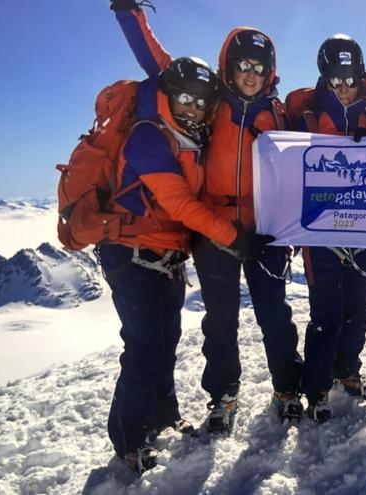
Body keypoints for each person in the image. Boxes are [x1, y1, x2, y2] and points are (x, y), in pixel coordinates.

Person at [110, 1, 304, 430]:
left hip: (266, 230)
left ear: (270, 71)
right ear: (228, 68)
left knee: (274, 313)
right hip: (214, 229)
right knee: (221, 319)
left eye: (259, 66)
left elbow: (312, 160)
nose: (250, 74)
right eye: (242, 65)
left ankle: (288, 388)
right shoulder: (210, 103)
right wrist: (129, 14)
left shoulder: (279, 114)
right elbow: (161, 67)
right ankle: (223, 396)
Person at [97, 56, 235, 472]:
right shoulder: (148, 136)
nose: (192, 108)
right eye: (184, 99)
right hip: (132, 254)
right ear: (168, 97)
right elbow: (178, 202)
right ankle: (128, 439)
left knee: (164, 342)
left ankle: (162, 415)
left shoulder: (187, 136)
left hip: (166, 257)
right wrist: (232, 237)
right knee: (143, 348)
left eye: (200, 102)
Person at [286, 35, 366, 422]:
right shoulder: (305, 119)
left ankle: (347, 370)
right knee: (327, 312)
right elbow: (283, 168)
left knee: (358, 310)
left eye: (350, 79)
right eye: (336, 79)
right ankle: (316, 388)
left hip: (362, 230)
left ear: (360, 78)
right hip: (319, 234)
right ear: (324, 79)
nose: (344, 87)